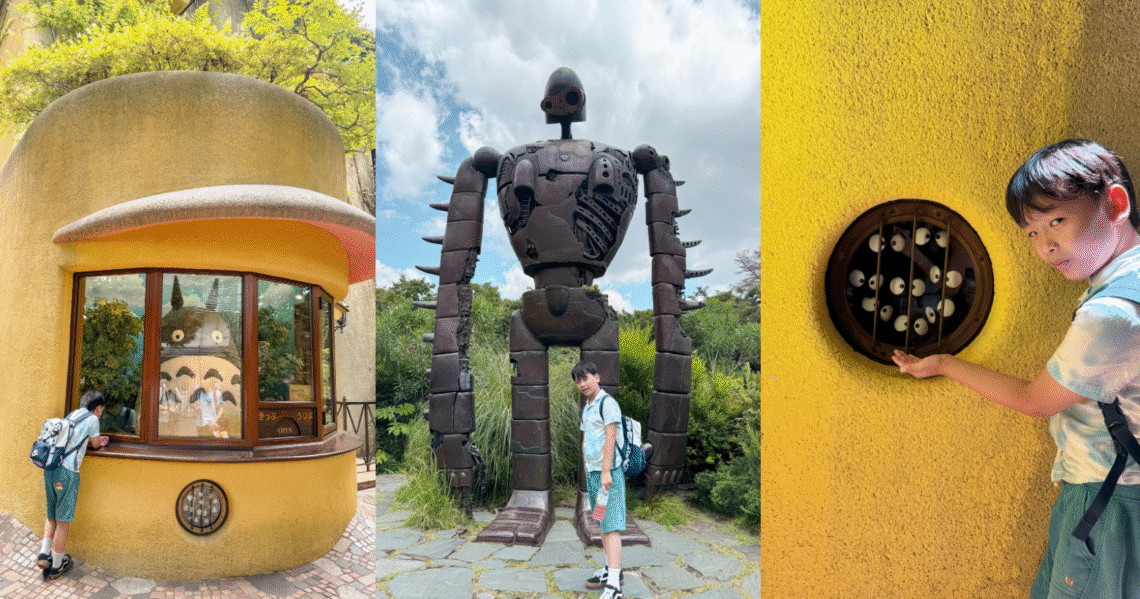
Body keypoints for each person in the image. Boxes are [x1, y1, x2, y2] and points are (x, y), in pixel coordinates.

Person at [893, 139, 1140, 599]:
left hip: (1111, 503)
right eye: (1031, 233)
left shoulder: (1113, 313)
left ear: (1116, 203)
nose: (1046, 246)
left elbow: (1035, 402)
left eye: (1057, 221)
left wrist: (945, 363)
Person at [38, 390, 110, 580]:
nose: (101, 412)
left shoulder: (72, 415)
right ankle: (56, 565)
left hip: (50, 470)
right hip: (67, 474)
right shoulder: (93, 419)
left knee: (51, 514)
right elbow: (95, 444)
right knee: (63, 520)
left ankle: (44, 554)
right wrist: (100, 442)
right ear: (98, 407)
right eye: (101, 408)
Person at [573, 361, 625, 599]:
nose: (582, 384)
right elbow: (586, 440)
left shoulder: (607, 403)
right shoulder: (587, 407)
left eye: (585, 378)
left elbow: (611, 438)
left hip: (608, 474)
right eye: (578, 381)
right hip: (594, 474)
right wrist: (588, 470)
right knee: (603, 522)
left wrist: (605, 472)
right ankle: (611, 570)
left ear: (597, 377)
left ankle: (614, 585)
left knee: (611, 526)